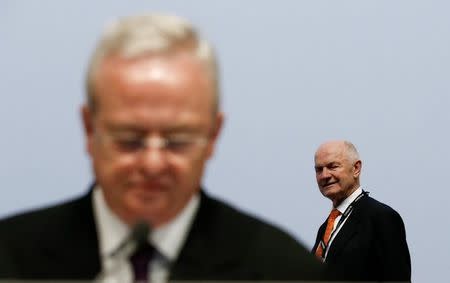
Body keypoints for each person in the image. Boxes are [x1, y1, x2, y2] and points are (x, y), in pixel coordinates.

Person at [0, 13, 324, 282]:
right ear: (89, 129)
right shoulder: (11, 258)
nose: (153, 164)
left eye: (178, 141)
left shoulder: (285, 271)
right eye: (129, 139)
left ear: (213, 136)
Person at [311, 140, 411, 281]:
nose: (324, 175)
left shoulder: (381, 217)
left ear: (356, 168)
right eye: (319, 169)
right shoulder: (326, 227)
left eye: (332, 166)